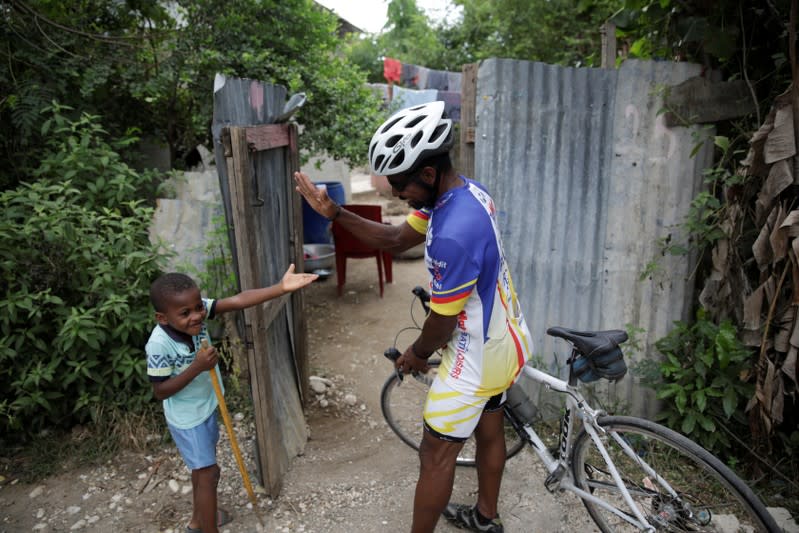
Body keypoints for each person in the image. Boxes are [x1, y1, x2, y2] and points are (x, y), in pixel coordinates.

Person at [294, 101, 532, 533]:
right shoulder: (464, 193)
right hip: (506, 339)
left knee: (436, 453)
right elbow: (394, 238)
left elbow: (441, 322)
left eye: (400, 184)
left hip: (475, 359)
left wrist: (415, 355)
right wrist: (336, 214)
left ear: (426, 174)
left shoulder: (453, 233)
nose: (396, 193)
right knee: (490, 427)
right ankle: (485, 518)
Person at [146, 265, 317, 533]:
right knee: (208, 473)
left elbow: (237, 301)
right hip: (188, 420)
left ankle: (198, 521)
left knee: (203, 472)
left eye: (198, 308)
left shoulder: (196, 310)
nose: (197, 316)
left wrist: (280, 288)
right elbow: (160, 391)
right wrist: (197, 367)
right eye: (186, 313)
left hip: (207, 408)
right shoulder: (159, 344)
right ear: (162, 318)